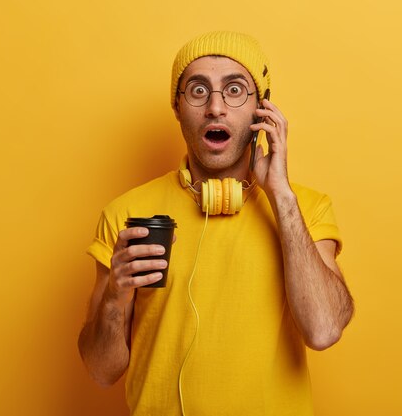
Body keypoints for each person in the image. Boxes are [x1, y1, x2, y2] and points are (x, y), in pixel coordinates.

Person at [78, 31, 354, 415]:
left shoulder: (305, 208)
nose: (216, 108)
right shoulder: (125, 216)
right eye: (198, 91)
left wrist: (281, 195)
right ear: (177, 108)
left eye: (235, 90)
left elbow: (324, 330)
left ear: (262, 109)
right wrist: (115, 297)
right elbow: (100, 370)